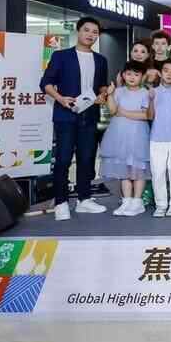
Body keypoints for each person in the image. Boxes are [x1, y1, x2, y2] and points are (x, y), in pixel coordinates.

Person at [40, 16, 109, 221]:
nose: (90, 35)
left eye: (95, 32)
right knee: (63, 159)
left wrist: (103, 95)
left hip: (90, 115)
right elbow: (46, 83)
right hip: (66, 115)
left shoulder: (101, 60)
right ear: (78, 31)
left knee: (87, 159)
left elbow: (102, 85)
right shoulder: (61, 56)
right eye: (87, 30)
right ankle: (61, 202)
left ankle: (84, 199)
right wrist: (60, 99)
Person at [101, 62, 152, 217]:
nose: (132, 77)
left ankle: (137, 201)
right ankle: (127, 200)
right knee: (124, 169)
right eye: (129, 74)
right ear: (123, 75)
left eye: (136, 74)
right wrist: (110, 95)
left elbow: (146, 115)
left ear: (142, 77)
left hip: (138, 134)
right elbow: (112, 111)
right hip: (119, 134)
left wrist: (123, 112)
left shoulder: (145, 93)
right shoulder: (118, 91)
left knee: (138, 168)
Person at [148, 59, 171, 217]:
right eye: (166, 70)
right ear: (160, 73)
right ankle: (161, 204)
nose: (169, 74)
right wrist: (151, 100)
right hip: (156, 138)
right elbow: (149, 116)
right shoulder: (153, 92)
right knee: (157, 172)